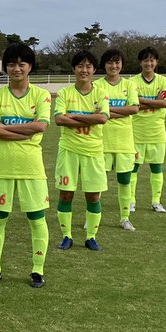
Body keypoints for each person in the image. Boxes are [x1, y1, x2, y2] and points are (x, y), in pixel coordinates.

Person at [0, 42, 51, 288]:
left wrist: (4, 128)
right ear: (5, 67)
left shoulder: (41, 95)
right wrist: (24, 131)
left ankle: (37, 270)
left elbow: (41, 126)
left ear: (30, 66)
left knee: (36, 219)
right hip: (2, 166)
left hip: (32, 168)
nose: (16, 68)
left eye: (22, 64)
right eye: (11, 64)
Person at [53, 50, 110, 251]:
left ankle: (91, 237)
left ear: (94, 70)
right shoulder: (64, 93)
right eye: (80, 66)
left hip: (93, 151)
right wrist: (90, 117)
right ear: (74, 69)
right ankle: (66, 236)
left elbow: (103, 118)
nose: (84, 70)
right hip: (68, 150)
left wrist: (73, 117)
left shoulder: (101, 93)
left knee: (93, 196)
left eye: (88, 66)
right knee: (65, 195)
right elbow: (59, 119)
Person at [96, 48, 140, 231]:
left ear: (122, 64)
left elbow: (134, 108)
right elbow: (96, 111)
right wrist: (119, 112)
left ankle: (125, 218)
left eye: (117, 62)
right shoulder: (97, 85)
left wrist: (107, 112)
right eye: (109, 62)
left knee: (125, 181)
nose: (113, 66)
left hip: (124, 142)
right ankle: (93, 218)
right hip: (101, 141)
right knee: (98, 182)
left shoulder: (129, 85)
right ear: (104, 65)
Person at [130, 46, 166, 213]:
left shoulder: (163, 80)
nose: (149, 63)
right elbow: (133, 105)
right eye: (145, 60)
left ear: (156, 62)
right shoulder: (132, 82)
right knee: (133, 168)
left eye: (152, 60)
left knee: (156, 167)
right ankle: (131, 201)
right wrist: (155, 101)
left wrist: (143, 101)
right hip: (136, 132)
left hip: (157, 132)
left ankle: (156, 201)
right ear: (140, 62)